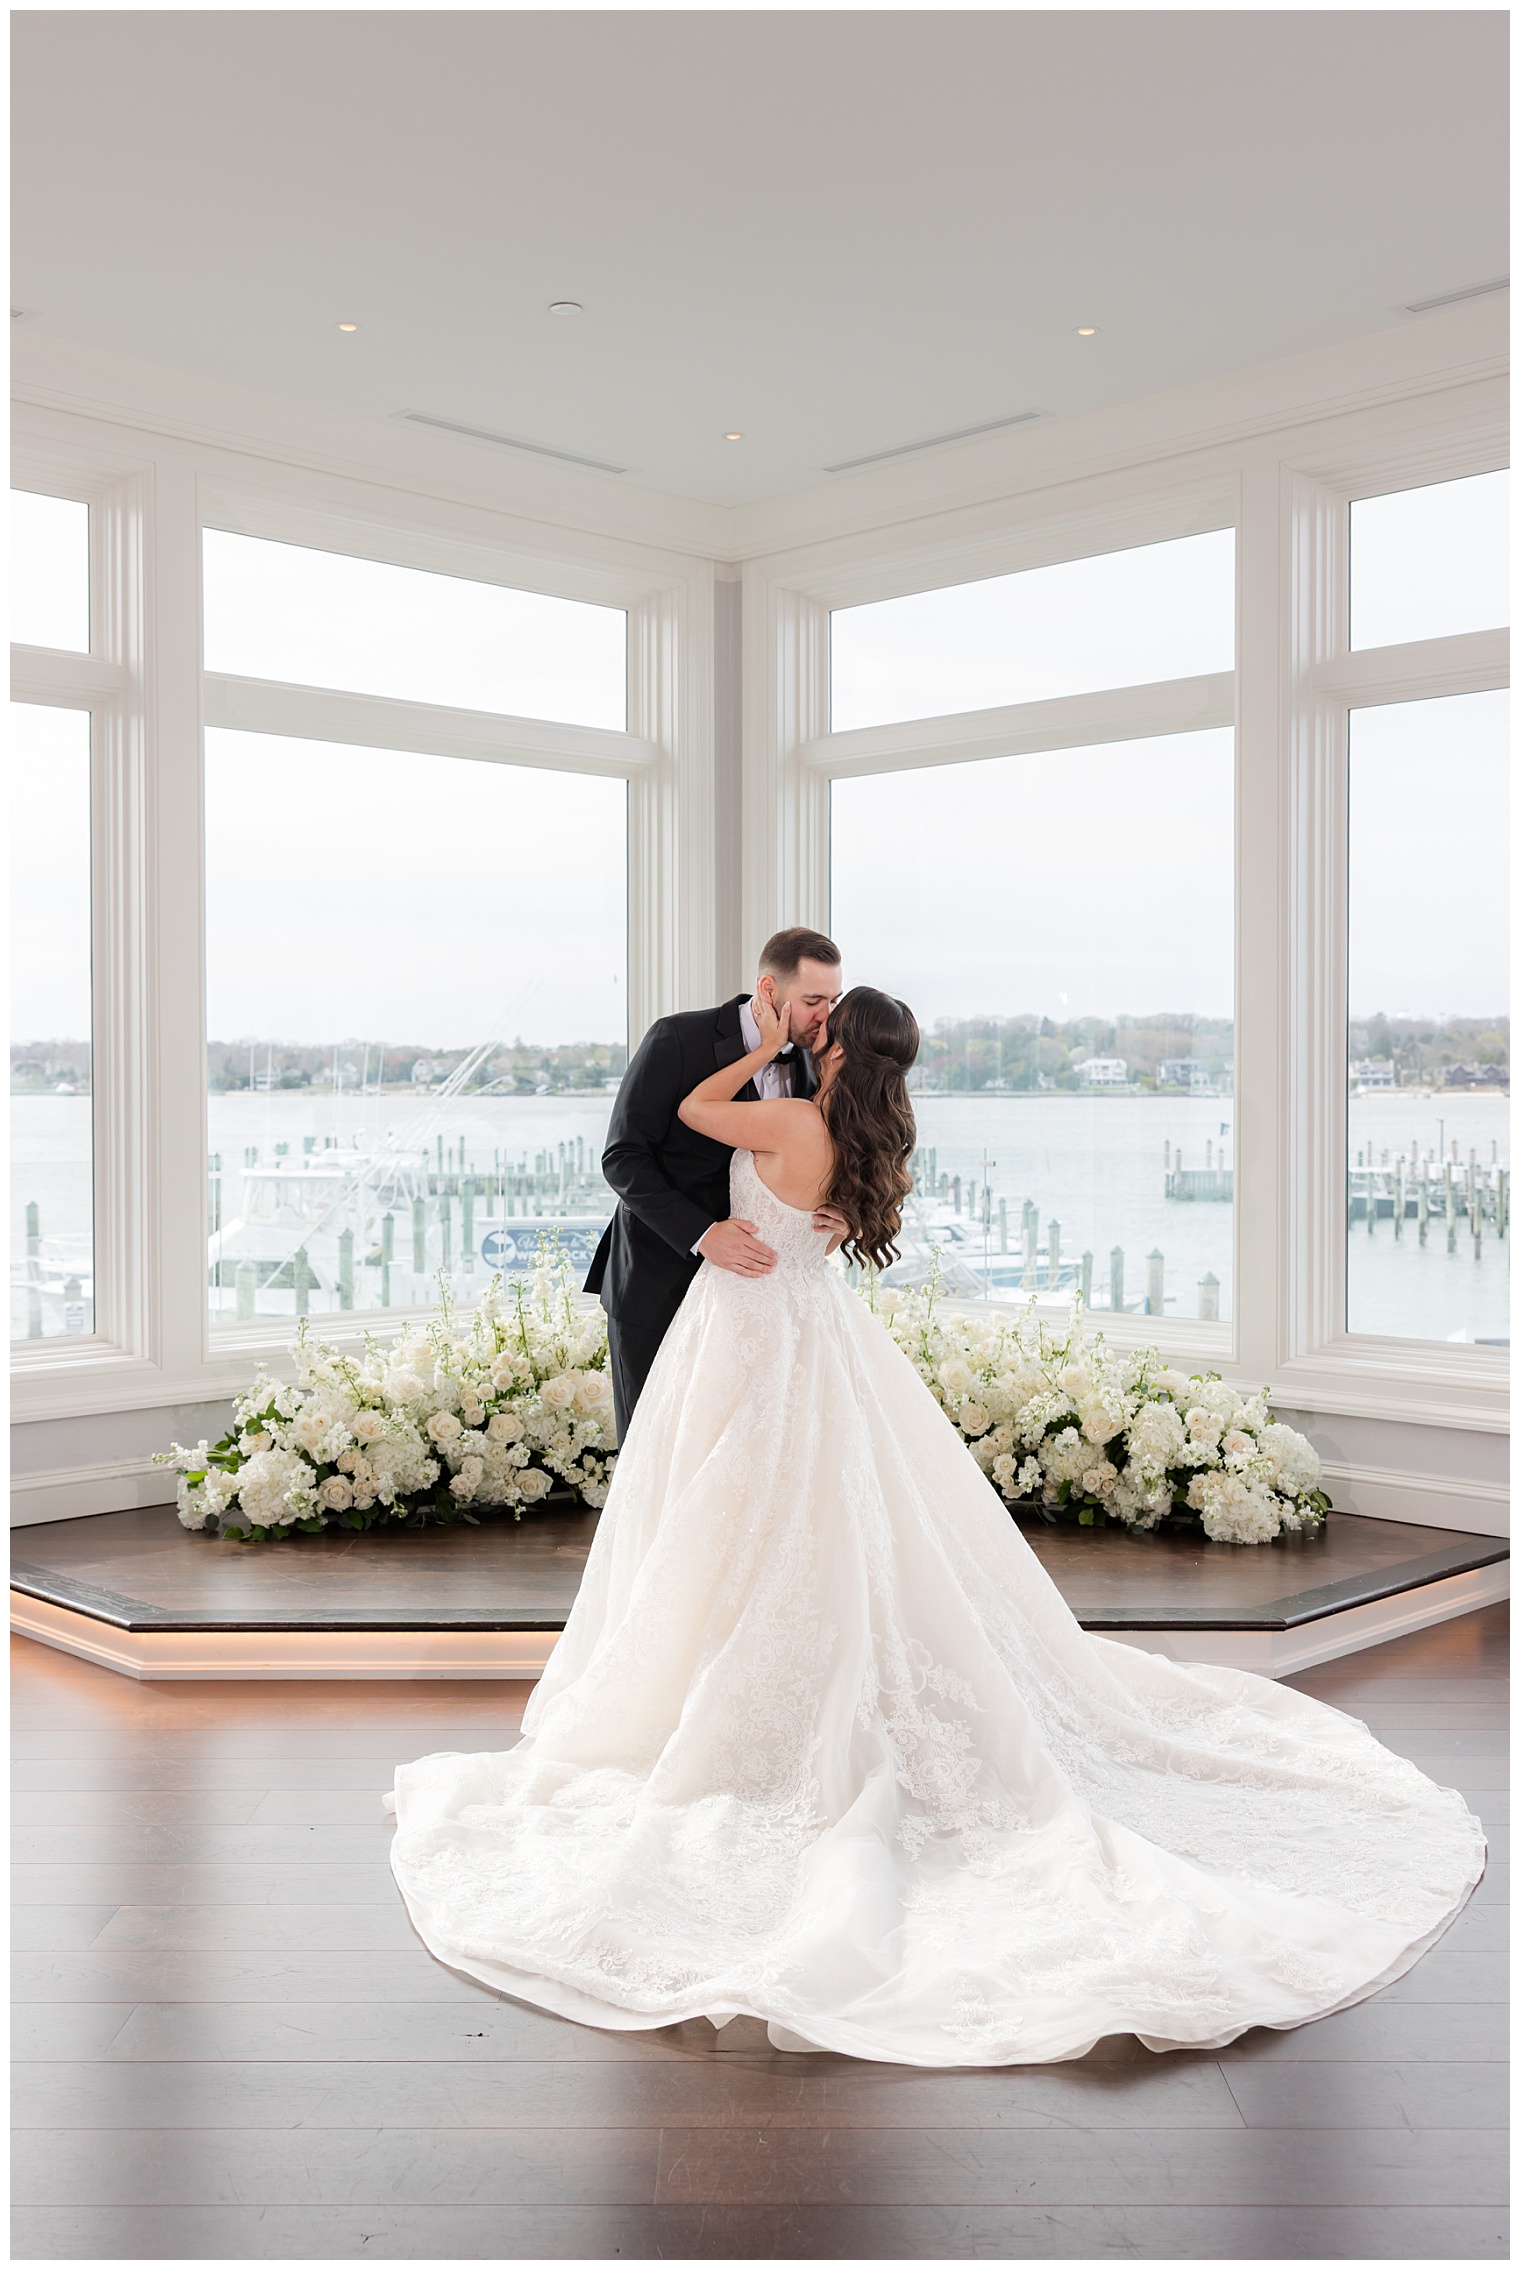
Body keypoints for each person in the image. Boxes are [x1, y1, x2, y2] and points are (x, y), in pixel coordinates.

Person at [390, 986, 1484, 2067]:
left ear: (835, 1038)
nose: (806, 1026)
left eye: (823, 1019)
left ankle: (723, 1689)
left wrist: (758, 1050)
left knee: (736, 1513)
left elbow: (685, 1118)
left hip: (744, 1333)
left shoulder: (778, 1112)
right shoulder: (854, 1134)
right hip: (809, 1329)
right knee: (822, 1510)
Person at [584, 925, 845, 1442]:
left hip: (753, 1302)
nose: (826, 1016)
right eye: (813, 1000)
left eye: (833, 1000)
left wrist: (844, 1209)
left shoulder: (821, 1057)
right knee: (654, 1452)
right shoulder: (677, 1038)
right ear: (769, 991)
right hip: (659, 1280)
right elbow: (623, 1158)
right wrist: (703, 1233)